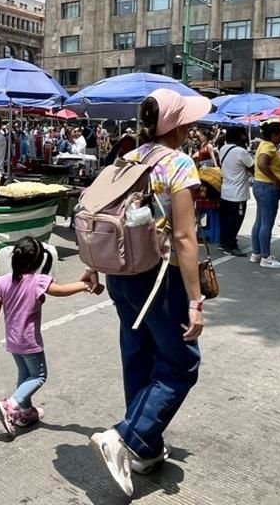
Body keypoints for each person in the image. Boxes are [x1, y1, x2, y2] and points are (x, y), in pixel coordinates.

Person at [88, 88, 209, 496]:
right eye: (188, 120)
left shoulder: (127, 158)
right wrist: (195, 301)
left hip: (121, 273)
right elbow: (185, 236)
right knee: (180, 363)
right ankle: (125, 437)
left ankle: (146, 448)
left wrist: (92, 266)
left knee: (137, 353)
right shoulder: (179, 164)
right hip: (161, 276)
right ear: (176, 125)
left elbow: (100, 210)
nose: (194, 127)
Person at [0, 237, 99, 435]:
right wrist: (85, 286)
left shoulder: (2, 281)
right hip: (29, 341)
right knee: (38, 375)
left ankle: (26, 412)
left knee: (25, 375)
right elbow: (61, 290)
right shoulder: (38, 282)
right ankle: (11, 405)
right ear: (38, 262)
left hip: (12, 340)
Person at [249, 122, 280, 269]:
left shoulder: (263, 145)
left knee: (260, 221)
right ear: (274, 135)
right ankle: (266, 257)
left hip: (260, 185)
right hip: (267, 186)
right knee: (267, 222)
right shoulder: (269, 147)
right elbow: (262, 163)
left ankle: (257, 253)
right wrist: (276, 180)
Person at [218, 127, 254, 256]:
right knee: (236, 220)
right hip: (237, 193)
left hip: (225, 190)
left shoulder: (223, 148)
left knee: (225, 219)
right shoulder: (241, 152)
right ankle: (231, 245)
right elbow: (252, 167)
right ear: (241, 136)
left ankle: (224, 242)